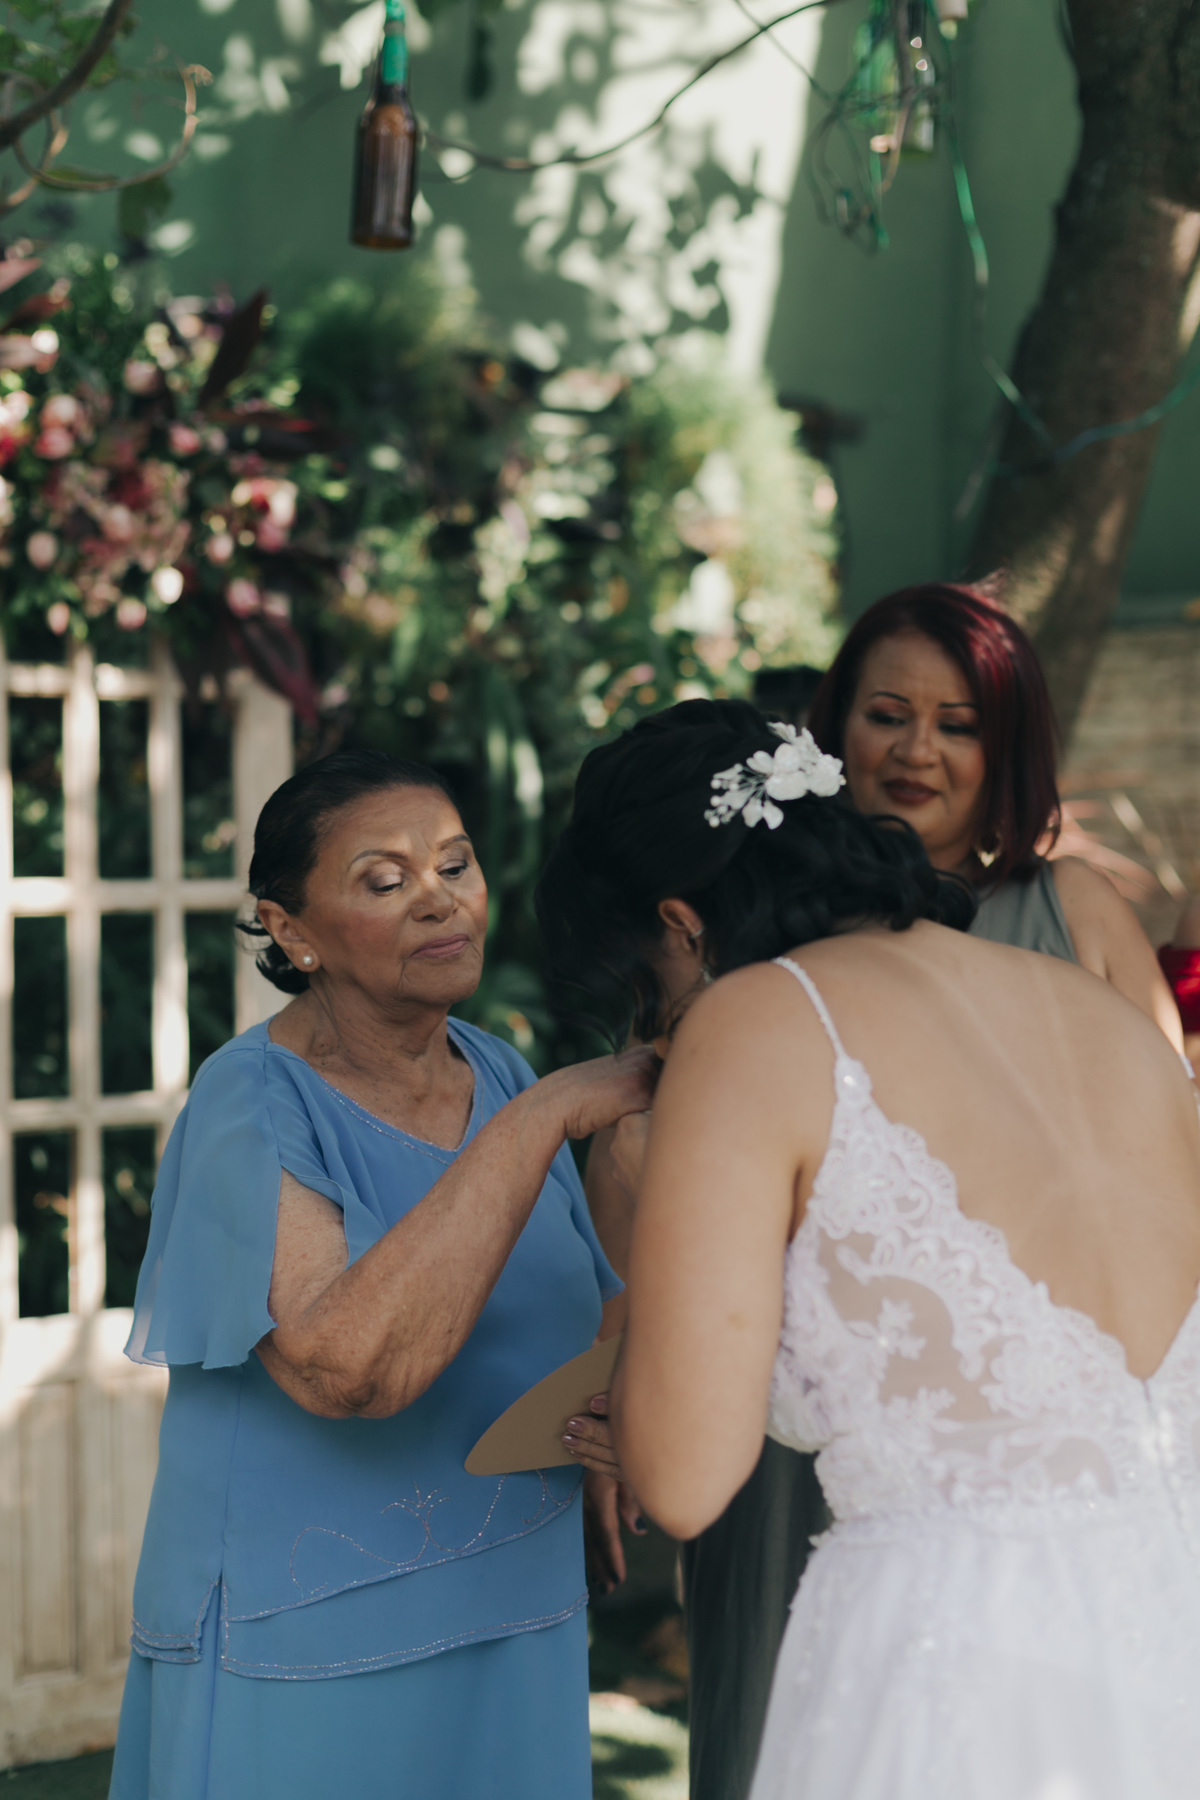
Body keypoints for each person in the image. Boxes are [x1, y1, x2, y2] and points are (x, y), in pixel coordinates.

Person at [543, 699, 1200, 1800]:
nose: (660, 1027)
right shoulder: (1104, 1019)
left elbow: (686, 1482)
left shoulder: (761, 1021)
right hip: (1170, 1624)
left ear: (682, 925)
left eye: (649, 989)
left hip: (959, 1657)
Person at [108, 749, 655, 1800]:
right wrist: (543, 1120)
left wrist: (596, 1442)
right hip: (313, 1633)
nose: (438, 898)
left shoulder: (498, 1069)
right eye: (385, 879)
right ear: (292, 931)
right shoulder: (250, 1103)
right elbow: (345, 1370)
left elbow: (591, 1297)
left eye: (454, 864)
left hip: (518, 1598)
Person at [808, 582, 1181, 1037]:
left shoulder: (1074, 907)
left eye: (956, 726)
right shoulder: (779, 906)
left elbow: (1170, 1079)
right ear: (839, 724)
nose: (917, 751)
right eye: (888, 717)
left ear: (1008, 753)